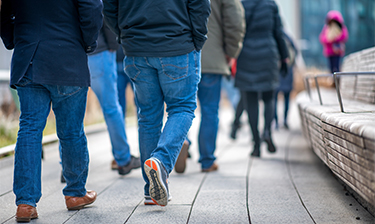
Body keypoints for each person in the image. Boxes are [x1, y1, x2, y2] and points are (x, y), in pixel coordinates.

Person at [1, 0, 102, 222]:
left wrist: (12, 40)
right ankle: (75, 193)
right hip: (68, 57)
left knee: (29, 129)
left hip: (29, 58)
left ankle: (25, 203)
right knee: (71, 131)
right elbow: (92, 7)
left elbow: (4, 10)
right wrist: (87, 42)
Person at [103, 0, 211, 207]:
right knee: (182, 108)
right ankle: (161, 161)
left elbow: (108, 7)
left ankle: (149, 191)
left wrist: (125, 36)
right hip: (177, 45)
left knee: (148, 117)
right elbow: (200, 6)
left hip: (136, 49)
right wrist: (197, 41)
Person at [176, 0, 245, 174]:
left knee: (179, 107)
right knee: (210, 110)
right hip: (211, 57)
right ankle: (207, 160)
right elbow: (235, 21)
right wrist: (231, 52)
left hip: (179, 55)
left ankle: (181, 141)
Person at [233, 0, 289, 158]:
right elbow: (279, 33)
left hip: (246, 55)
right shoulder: (270, 5)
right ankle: (268, 133)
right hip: (268, 55)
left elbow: (236, 31)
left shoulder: (241, 5)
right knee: (269, 98)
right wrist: (284, 58)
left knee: (250, 101)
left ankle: (256, 144)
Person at [86, 20, 141, 175]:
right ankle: (123, 159)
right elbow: (98, 9)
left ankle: (67, 165)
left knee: (69, 111)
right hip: (102, 51)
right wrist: (113, 44)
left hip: (72, 50)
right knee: (113, 107)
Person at [274, 31, 298, 130]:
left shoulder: (273, 36)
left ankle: (275, 122)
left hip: (276, 71)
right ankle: (285, 120)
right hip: (287, 70)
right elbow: (295, 51)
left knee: (273, 98)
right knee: (287, 97)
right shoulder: (288, 37)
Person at [319, 10, 348, 75]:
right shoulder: (327, 28)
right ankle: (333, 79)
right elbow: (322, 38)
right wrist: (329, 40)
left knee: (337, 67)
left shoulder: (341, 28)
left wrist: (336, 38)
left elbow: (344, 36)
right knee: (331, 68)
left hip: (338, 51)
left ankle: (337, 80)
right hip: (329, 52)